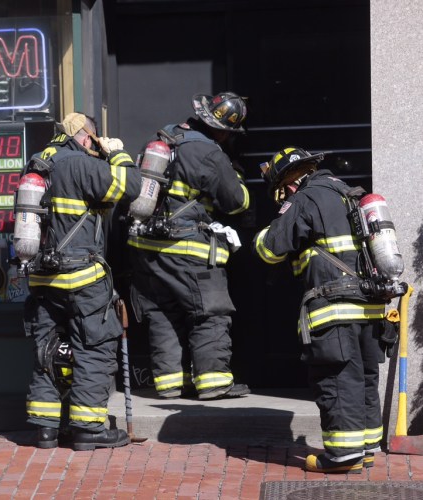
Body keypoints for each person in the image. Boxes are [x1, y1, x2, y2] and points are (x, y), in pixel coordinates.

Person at [253, 147, 392, 473]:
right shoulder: (350, 194)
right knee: (363, 381)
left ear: (287, 182)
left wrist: (263, 233)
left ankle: (342, 457)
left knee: (337, 381)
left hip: (334, 311)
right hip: (370, 309)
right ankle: (367, 449)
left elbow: (270, 250)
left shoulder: (304, 199)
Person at [23, 112, 142, 451]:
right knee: (93, 349)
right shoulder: (80, 164)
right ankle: (88, 429)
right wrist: (117, 154)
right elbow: (133, 187)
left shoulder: (37, 164)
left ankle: (45, 429)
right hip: (82, 279)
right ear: (87, 137)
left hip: (43, 280)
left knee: (46, 350)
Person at [127, 92, 251, 400]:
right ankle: (213, 383)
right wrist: (236, 174)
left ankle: (169, 385)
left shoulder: (161, 140)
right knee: (209, 314)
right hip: (188, 249)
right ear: (222, 129)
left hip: (146, 249)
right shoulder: (209, 152)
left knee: (162, 313)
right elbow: (236, 202)